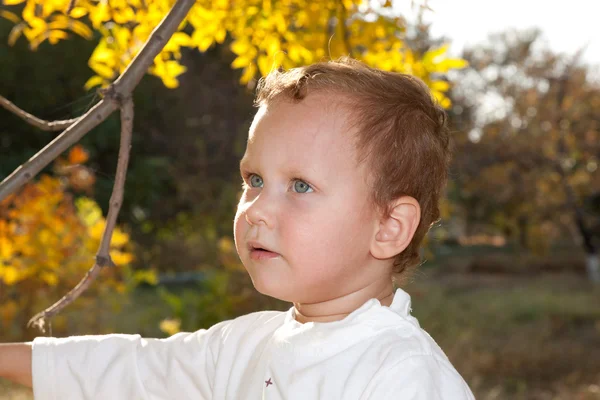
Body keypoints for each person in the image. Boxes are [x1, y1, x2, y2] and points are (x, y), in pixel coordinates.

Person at [0, 57, 475, 399]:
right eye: (254, 180)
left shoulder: (402, 375)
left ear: (390, 227)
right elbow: (130, 369)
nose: (256, 210)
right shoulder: (243, 347)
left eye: (301, 186)